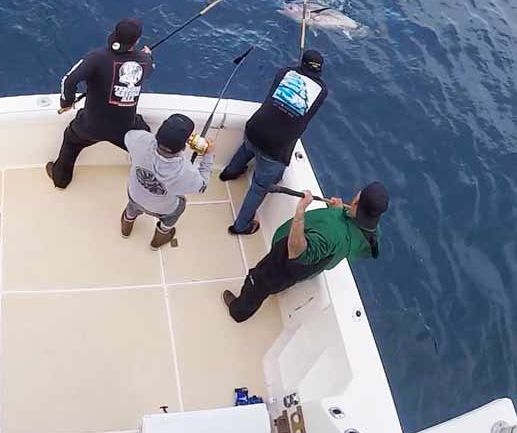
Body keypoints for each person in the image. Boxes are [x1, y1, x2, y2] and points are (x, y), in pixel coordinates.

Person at [222, 182, 389, 322]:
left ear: (356, 200)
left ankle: (238, 311)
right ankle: (273, 288)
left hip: (284, 262)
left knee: (257, 282)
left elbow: (296, 251)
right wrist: (338, 211)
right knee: (279, 283)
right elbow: (348, 229)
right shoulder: (372, 231)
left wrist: (300, 210)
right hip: (309, 268)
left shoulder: (332, 233)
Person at [219, 49, 328, 235]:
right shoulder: (322, 91)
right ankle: (241, 225)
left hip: (254, 127)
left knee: (248, 147)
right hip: (275, 146)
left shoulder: (284, 72)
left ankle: (229, 173)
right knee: (259, 186)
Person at [46, 18, 155, 189]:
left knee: (71, 139)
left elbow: (69, 80)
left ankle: (60, 179)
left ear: (115, 34)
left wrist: (67, 102)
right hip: (125, 129)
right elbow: (147, 69)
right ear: (137, 41)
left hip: (91, 126)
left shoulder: (96, 57)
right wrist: (147, 55)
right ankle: (146, 181)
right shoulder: (145, 62)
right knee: (147, 141)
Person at [121, 114, 216, 250]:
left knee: (133, 205)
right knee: (179, 207)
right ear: (184, 146)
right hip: (163, 209)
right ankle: (159, 239)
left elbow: (128, 136)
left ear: (158, 133)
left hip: (135, 195)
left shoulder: (140, 140)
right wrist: (208, 155)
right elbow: (202, 187)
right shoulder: (187, 171)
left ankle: (126, 225)